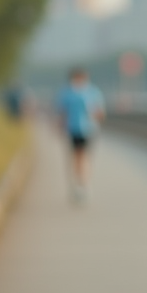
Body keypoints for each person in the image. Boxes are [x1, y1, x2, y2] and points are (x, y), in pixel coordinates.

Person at [54, 67, 105, 201]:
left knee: (83, 156)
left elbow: (100, 114)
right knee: (75, 157)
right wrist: (59, 128)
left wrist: (93, 112)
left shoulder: (93, 92)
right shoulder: (67, 93)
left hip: (88, 129)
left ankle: (83, 184)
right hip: (72, 129)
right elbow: (62, 113)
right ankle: (77, 184)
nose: (79, 81)